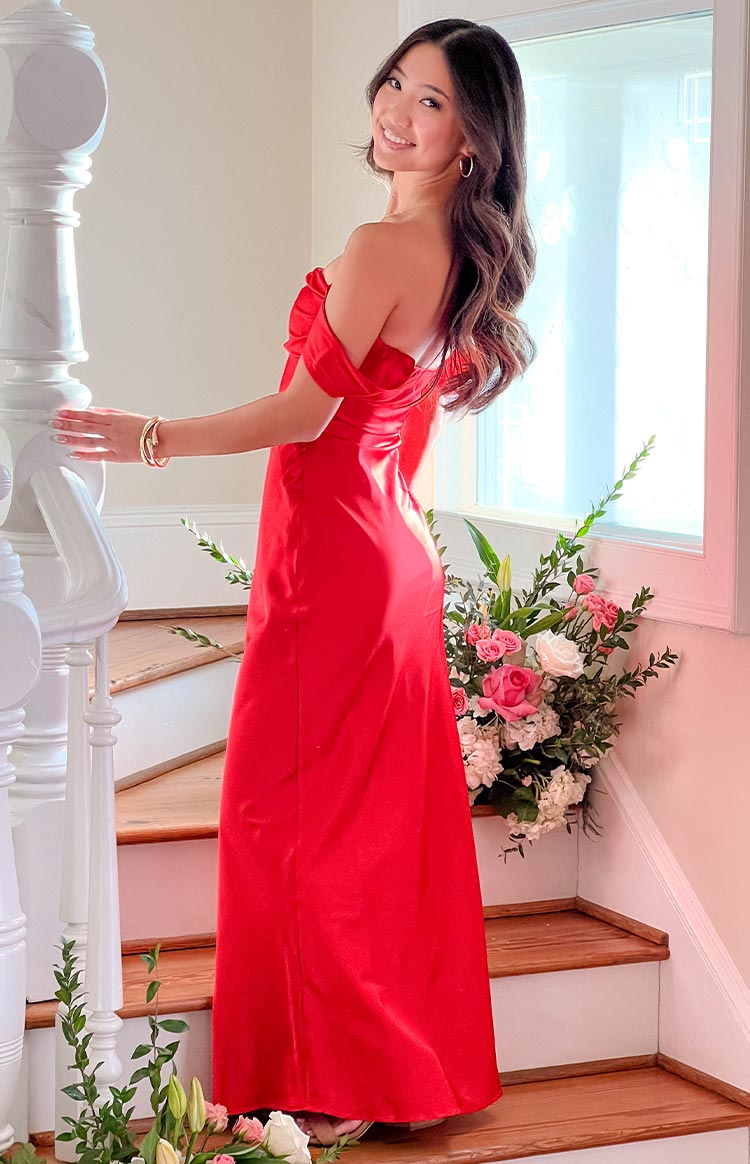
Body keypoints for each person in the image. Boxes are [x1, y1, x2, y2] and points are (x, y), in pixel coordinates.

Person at [51, 16, 536, 1150]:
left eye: (430, 104)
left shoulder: (381, 249)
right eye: (397, 86)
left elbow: (305, 415)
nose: (395, 113)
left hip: (336, 565)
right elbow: (392, 433)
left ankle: (333, 1076)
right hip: (387, 553)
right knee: (371, 829)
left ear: (474, 140)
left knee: (294, 819)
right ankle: (390, 1070)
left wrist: (150, 435)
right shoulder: (461, 253)